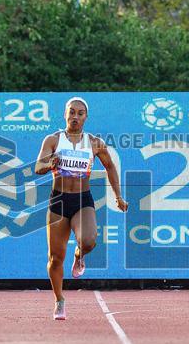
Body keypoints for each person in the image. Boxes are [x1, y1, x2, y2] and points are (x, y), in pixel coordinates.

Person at [34, 97, 128, 320]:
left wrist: (118, 196)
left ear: (86, 117)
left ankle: (79, 254)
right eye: (72, 112)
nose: (75, 117)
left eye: (80, 113)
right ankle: (59, 300)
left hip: (82, 200)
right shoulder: (53, 140)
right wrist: (50, 165)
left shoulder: (94, 142)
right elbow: (38, 167)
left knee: (89, 241)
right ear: (65, 114)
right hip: (58, 201)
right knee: (55, 258)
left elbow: (110, 166)